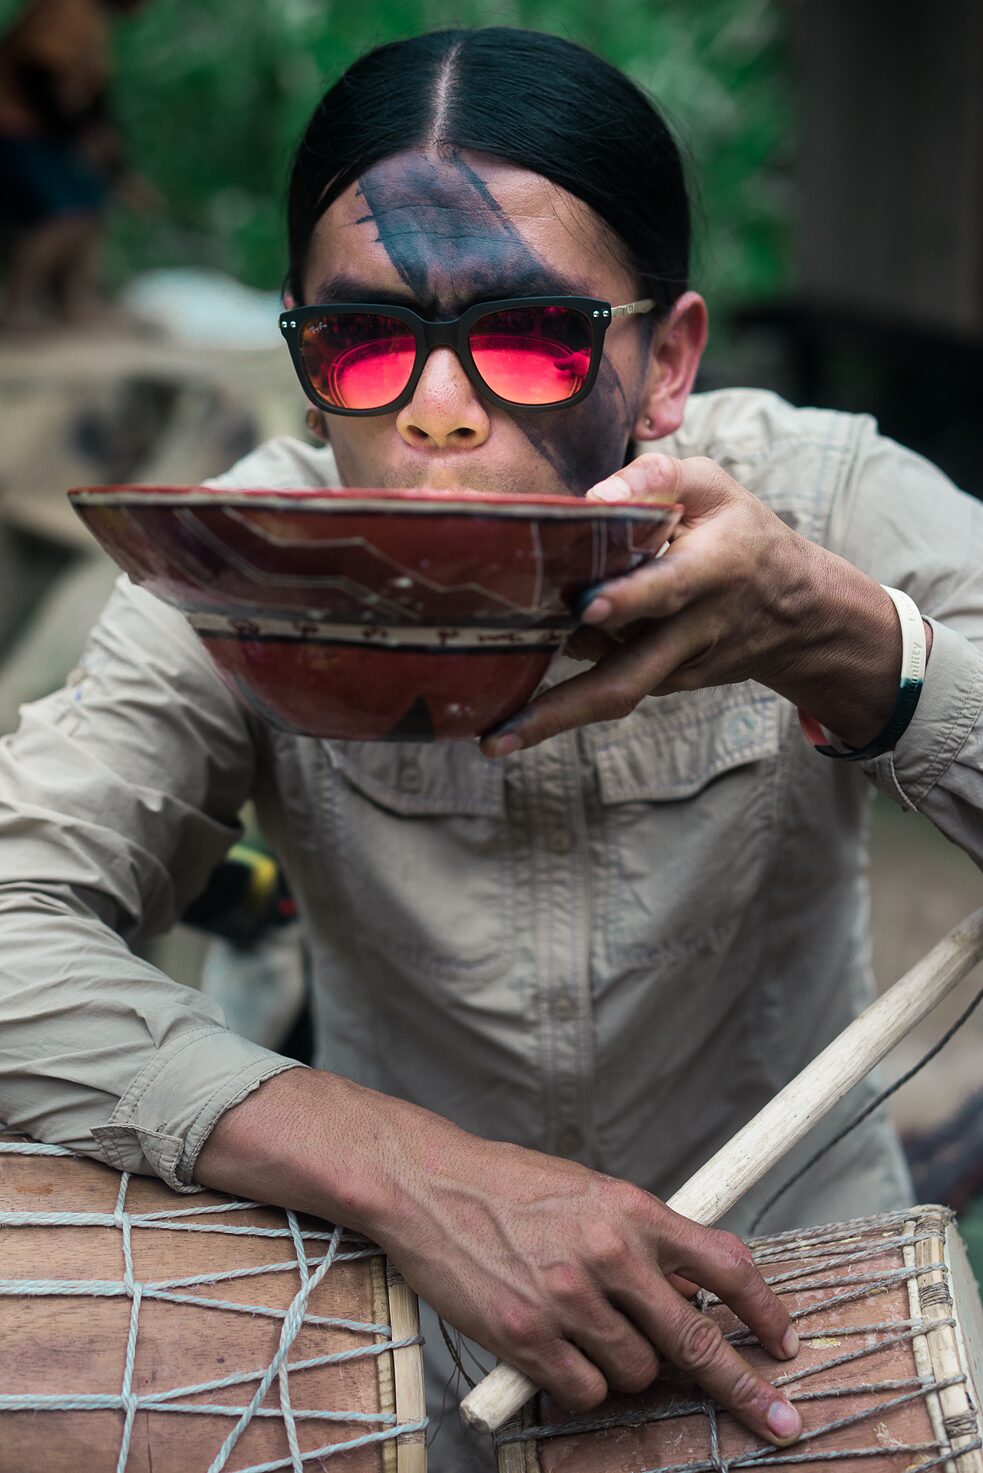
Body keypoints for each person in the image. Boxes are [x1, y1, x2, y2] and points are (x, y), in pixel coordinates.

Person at [1, 27, 981, 1471]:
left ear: (665, 362)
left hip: (794, 1309)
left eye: (529, 339)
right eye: (364, 341)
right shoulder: (240, 553)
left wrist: (842, 639)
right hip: (390, 1312)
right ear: (303, 351)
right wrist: (415, 1177)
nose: (436, 409)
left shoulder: (820, 502)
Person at [0, 0, 152, 330]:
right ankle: (18, 307)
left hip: (43, 132)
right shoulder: (68, 7)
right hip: (16, 127)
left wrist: (119, 170)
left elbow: (97, 102)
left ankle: (75, 301)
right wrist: (77, 136)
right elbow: (36, 72)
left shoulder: (95, 23)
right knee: (64, 212)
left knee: (91, 206)